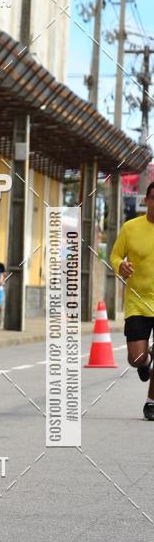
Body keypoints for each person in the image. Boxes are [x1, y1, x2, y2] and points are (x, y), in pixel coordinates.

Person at [110, 180, 154, 421]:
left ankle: (151, 402)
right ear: (146, 200)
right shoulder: (131, 228)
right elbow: (115, 255)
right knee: (136, 359)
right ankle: (147, 360)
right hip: (137, 302)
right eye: (153, 198)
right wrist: (121, 266)